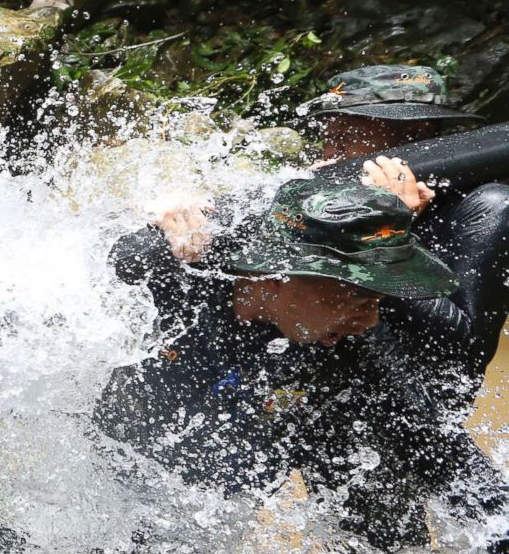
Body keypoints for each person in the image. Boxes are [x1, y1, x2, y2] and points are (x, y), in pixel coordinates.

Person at [95, 149, 509, 548]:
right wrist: (147, 210)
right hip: (102, 480)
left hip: (211, 502)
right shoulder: (171, 272)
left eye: (376, 302)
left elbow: (450, 462)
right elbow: (64, 268)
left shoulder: (352, 346)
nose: (367, 321)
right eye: (357, 299)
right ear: (278, 274)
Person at [306, 65, 509, 412]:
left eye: (345, 137)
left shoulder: (489, 207)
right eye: (328, 137)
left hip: (410, 418)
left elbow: (460, 348)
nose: (330, 155)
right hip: (315, 400)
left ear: (416, 134)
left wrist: (385, 236)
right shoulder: (330, 202)